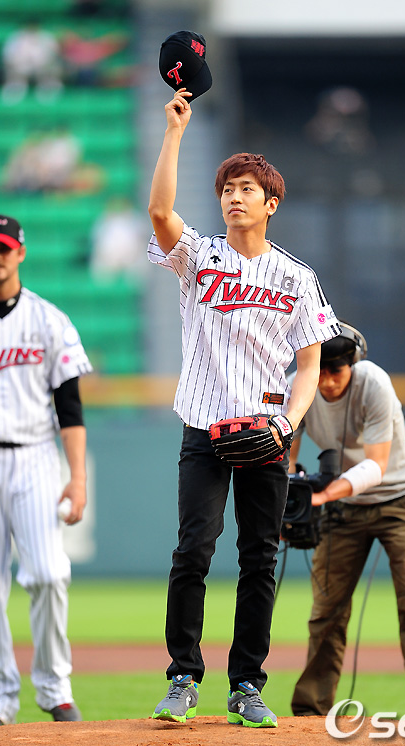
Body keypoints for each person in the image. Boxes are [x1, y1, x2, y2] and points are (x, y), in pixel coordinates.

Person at [147, 88, 339, 728]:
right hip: (204, 428)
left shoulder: (296, 277)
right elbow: (160, 211)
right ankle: (182, 677)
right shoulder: (200, 257)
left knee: (260, 558)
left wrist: (287, 425)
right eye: (228, 188)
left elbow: (309, 365)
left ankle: (246, 685)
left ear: (270, 203)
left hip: (266, 433)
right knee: (193, 551)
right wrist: (174, 132)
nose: (234, 196)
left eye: (247, 189)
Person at [0, 215, 92, 727]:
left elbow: (70, 409)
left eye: (6, 248)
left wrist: (77, 478)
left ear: (21, 253)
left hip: (34, 456)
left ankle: (55, 688)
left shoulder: (49, 320)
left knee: (50, 573)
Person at [289, 321, 405, 719]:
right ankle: (310, 712)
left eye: (336, 371)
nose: (327, 381)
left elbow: (376, 466)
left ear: (353, 365)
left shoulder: (373, 383)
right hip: (344, 509)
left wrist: (321, 495)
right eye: (320, 370)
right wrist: (287, 501)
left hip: (400, 501)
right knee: (326, 611)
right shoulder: (300, 385)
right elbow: (285, 457)